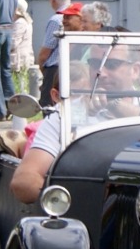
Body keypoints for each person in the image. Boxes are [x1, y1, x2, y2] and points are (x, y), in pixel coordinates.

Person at [11, 60, 94, 203]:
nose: (83, 100)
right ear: (56, 96)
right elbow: (26, 178)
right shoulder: (59, 119)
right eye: (75, 94)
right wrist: (57, 201)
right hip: (70, 196)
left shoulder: (130, 109)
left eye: (89, 94)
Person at [37, 0, 72, 107]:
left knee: (48, 106)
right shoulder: (77, 16)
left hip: (54, 69)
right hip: (72, 67)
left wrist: (41, 68)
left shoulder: (56, 19)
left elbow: (45, 53)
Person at [10, 0, 36, 95]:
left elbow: (13, 42)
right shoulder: (26, 21)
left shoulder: (20, 23)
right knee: (22, 84)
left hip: (19, 59)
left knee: (20, 86)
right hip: (23, 58)